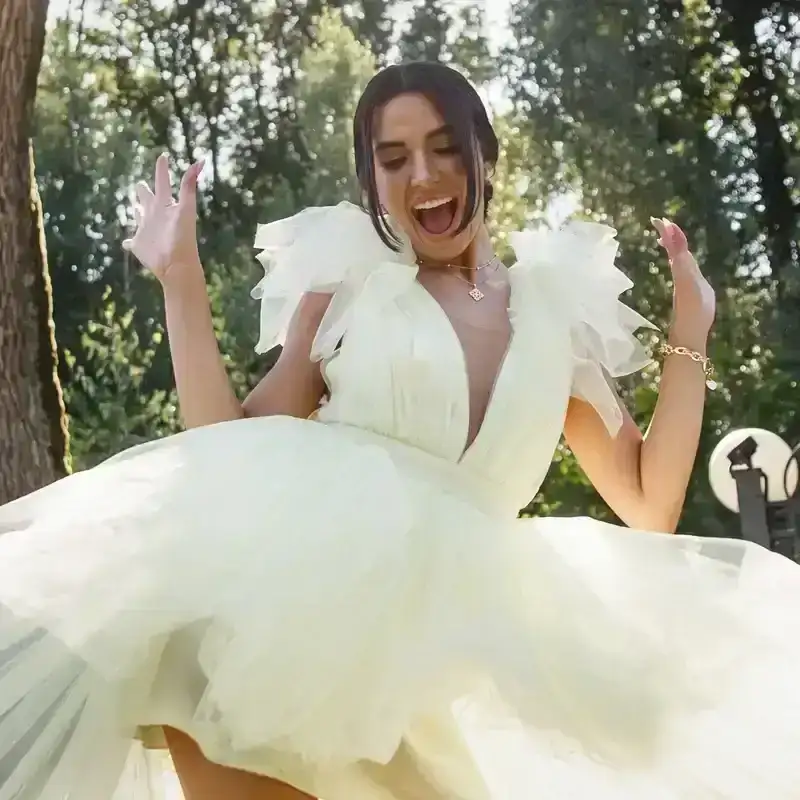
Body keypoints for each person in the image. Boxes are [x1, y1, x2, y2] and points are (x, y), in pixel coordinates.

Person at [0, 61, 799, 800]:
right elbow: (225, 444)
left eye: (447, 148)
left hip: (435, 654)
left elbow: (650, 502)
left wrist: (691, 329)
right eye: (394, 158)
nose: (424, 175)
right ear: (372, 178)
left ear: (488, 153)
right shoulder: (351, 288)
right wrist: (181, 280)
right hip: (286, 625)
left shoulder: (556, 314)